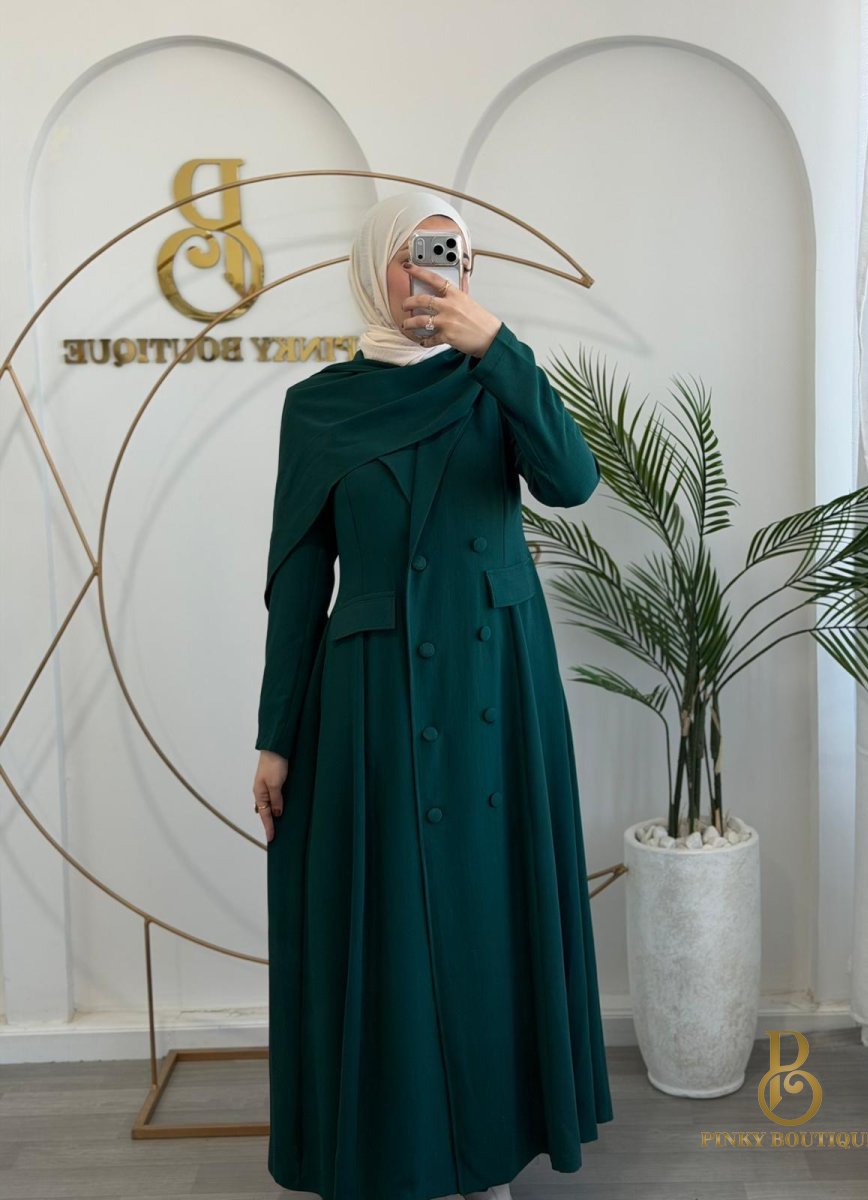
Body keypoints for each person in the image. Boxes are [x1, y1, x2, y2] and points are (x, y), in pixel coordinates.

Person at [252, 191, 614, 1200]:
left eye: (450, 256)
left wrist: (497, 347)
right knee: (394, 929)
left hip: (497, 686)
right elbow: (299, 581)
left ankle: (491, 1152)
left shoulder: (496, 381)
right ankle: (401, 1153)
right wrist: (275, 736)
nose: (430, 276)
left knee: (489, 915)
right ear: (376, 266)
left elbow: (574, 481)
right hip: (373, 700)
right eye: (413, 256)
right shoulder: (319, 406)